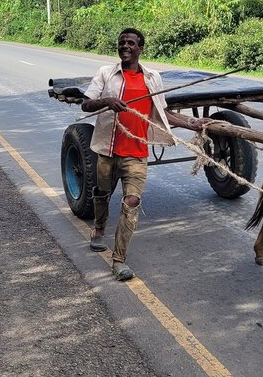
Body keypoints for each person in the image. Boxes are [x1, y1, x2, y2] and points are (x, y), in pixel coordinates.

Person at [81, 28, 208, 281]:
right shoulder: (106, 73)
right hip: (108, 149)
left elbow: (162, 113)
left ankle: (118, 261)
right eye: (122, 43)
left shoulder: (152, 78)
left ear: (141, 49)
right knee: (102, 193)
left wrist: (191, 124)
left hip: (136, 153)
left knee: (132, 203)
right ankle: (98, 229)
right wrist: (107, 101)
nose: (125, 47)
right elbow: (85, 104)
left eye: (131, 43)